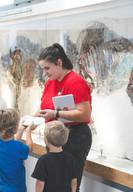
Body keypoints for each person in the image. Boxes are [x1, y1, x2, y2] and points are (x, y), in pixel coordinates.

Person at [35, 43, 92, 192]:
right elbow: (46, 106)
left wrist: (56, 114)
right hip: (55, 139)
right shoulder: (50, 83)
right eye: (43, 69)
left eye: (47, 68)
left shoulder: (75, 82)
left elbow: (85, 114)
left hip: (74, 138)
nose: (45, 73)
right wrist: (37, 115)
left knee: (68, 186)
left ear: (59, 62)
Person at [0, 108, 36, 192]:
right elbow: (30, 147)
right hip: (17, 189)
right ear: (15, 128)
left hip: (2, 188)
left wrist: (19, 131)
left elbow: (11, 144)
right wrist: (28, 131)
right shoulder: (18, 147)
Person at [32, 121, 77, 192]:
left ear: (46, 140)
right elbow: (74, 181)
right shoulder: (70, 158)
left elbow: (40, 183)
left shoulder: (43, 160)